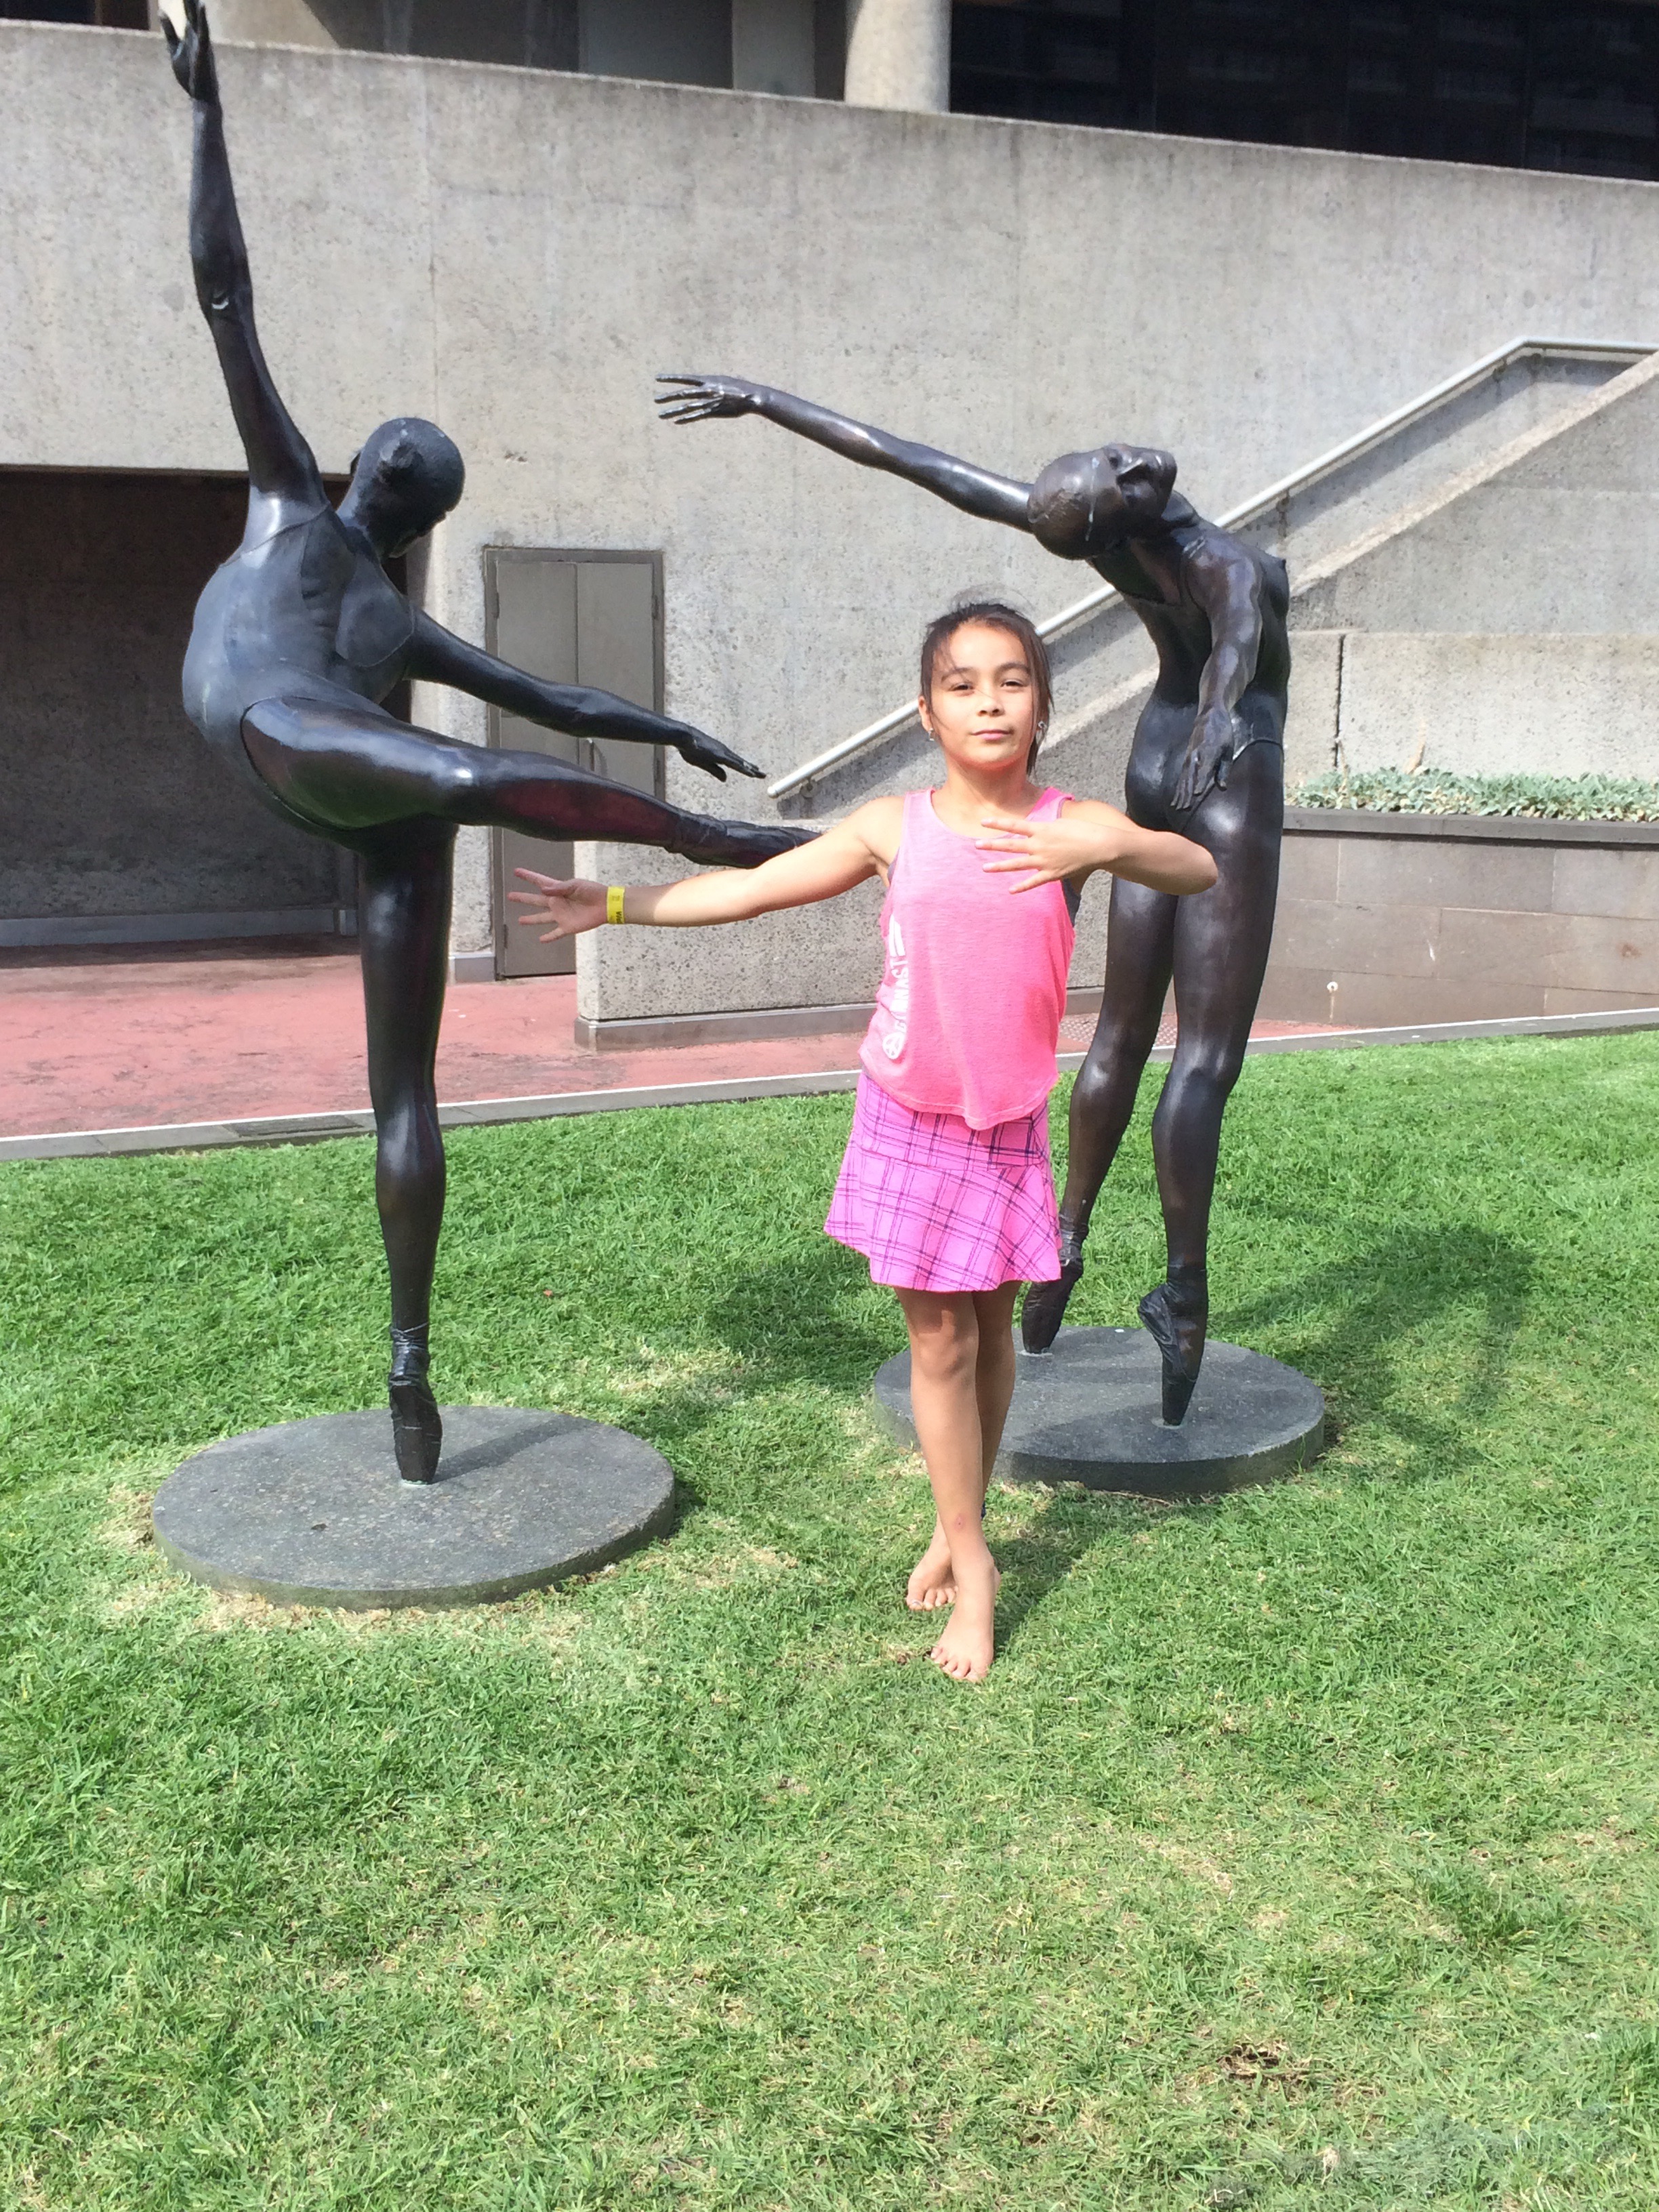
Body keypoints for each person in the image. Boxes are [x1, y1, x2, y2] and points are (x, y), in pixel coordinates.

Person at [162, 1, 807, 1483]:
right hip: (285, 728)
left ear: (397, 491)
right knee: (457, 780)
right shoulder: (294, 512)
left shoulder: (374, 598)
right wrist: (204, 116)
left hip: (328, 759)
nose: (392, 464)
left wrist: (670, 723)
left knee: (412, 1061)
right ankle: (707, 844)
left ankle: (410, 1358)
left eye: (403, 463)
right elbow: (224, 297)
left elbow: (559, 697)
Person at [512, 606, 1214, 1682]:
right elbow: (752, 890)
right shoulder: (895, 827)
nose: (989, 701)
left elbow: (1196, 867)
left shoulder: (1069, 825)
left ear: (1040, 705)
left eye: (1013, 680)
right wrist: (613, 901)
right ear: (928, 712)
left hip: (1006, 1119)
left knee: (989, 1330)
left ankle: (954, 1518)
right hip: (908, 1117)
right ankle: (974, 1564)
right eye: (963, 684)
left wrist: (1110, 843)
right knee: (940, 1343)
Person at [655, 371, 1290, 1424]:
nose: (1141, 460)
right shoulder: (1213, 558)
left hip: (1154, 759)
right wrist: (1224, 716)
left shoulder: (1124, 543)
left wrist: (765, 401)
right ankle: (1180, 1295)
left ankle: (1066, 1241)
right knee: (1200, 1060)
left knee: (1120, 1034)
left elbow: (924, 467)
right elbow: (1234, 645)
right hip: (1227, 775)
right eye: (1123, 471)